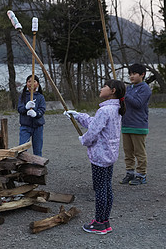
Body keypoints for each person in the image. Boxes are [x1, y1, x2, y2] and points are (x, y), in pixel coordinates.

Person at [64, 79, 126, 235]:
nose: (101, 88)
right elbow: (94, 123)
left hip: (100, 156)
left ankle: (99, 223)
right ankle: (105, 221)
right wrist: (78, 116)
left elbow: (93, 131)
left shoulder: (105, 111)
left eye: (104, 86)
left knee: (100, 190)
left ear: (112, 91)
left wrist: (83, 140)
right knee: (106, 187)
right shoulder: (115, 108)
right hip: (109, 155)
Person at [119, 63, 152, 185]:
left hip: (138, 126)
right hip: (126, 124)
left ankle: (141, 175)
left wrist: (125, 94)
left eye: (134, 74)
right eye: (130, 74)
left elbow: (138, 103)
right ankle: (130, 173)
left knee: (139, 153)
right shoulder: (129, 88)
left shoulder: (145, 89)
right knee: (128, 152)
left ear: (142, 74)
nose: (131, 76)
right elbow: (124, 103)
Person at [17, 75, 46, 156]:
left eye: (34, 81)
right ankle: (22, 164)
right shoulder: (23, 96)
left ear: (38, 84)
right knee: (22, 148)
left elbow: (42, 109)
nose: (31, 83)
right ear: (26, 83)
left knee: (37, 149)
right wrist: (26, 107)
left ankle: (38, 164)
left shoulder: (40, 97)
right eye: (29, 81)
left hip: (38, 126)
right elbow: (20, 109)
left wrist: (36, 114)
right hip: (25, 126)